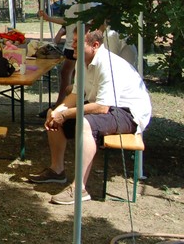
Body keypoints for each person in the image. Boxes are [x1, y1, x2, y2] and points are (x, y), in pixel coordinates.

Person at [28, 29, 152, 205]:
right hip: (106, 106)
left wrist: (65, 114)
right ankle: (57, 171)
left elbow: (102, 107)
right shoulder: (82, 61)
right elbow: (76, 95)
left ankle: (80, 189)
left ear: (95, 45)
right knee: (52, 114)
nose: (72, 45)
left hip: (128, 112)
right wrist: (58, 111)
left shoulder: (107, 64)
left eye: (78, 42)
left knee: (85, 123)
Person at [38, 0, 79, 112]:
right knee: (68, 73)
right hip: (70, 43)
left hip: (79, 44)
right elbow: (67, 21)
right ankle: (64, 104)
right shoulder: (68, 0)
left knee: (68, 72)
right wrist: (49, 19)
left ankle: (62, 105)